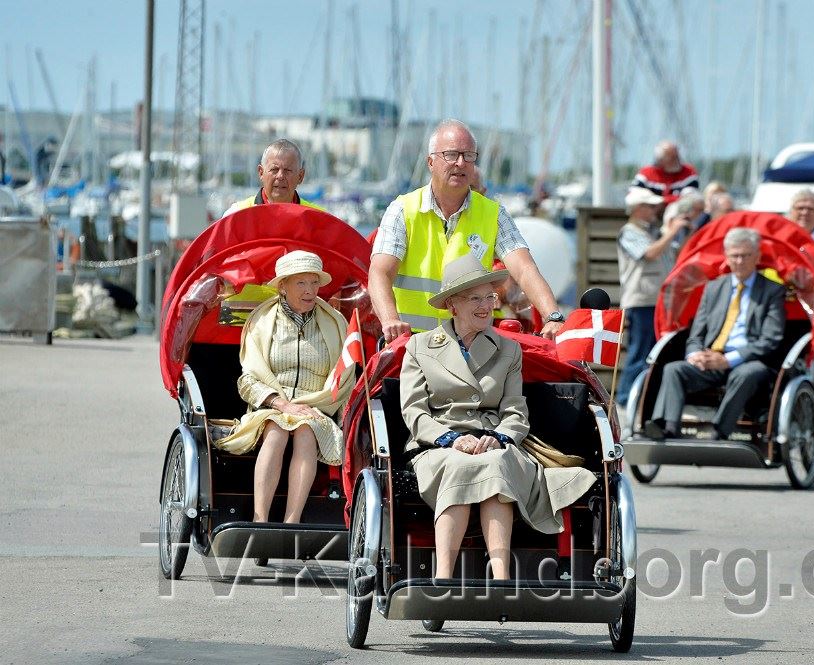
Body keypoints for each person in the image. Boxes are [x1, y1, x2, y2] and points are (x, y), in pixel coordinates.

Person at [400, 254, 595, 579]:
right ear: (452, 304)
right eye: (474, 298)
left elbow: (516, 410)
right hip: (436, 444)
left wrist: (501, 436)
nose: (485, 305)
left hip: (494, 441)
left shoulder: (508, 350)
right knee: (459, 464)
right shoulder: (419, 348)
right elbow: (414, 411)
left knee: (496, 462)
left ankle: (501, 577)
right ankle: (443, 576)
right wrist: (451, 439)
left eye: (489, 296)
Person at [370, 119, 565, 342]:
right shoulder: (402, 209)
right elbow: (379, 272)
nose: (461, 163)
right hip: (412, 343)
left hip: (472, 345)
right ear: (430, 162)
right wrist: (389, 321)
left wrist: (553, 316)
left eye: (469, 156)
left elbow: (524, 268)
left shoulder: (494, 213)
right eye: (451, 155)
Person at [215, 250, 355, 523]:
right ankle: (260, 518)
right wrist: (282, 404)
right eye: (301, 283)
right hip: (271, 408)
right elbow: (247, 380)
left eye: (314, 283)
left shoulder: (336, 323)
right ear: (283, 285)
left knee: (305, 431)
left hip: (317, 410)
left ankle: (292, 521)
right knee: (277, 430)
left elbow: (345, 379)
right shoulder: (261, 322)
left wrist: (319, 408)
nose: (310, 290)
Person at [645, 227, 786, 440]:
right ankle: (667, 427)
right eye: (734, 256)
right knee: (674, 369)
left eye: (745, 255)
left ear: (757, 256)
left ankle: (719, 430)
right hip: (711, 358)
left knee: (745, 374)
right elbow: (696, 334)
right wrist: (695, 355)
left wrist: (728, 360)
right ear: (726, 257)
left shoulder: (772, 290)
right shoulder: (713, 288)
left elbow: (770, 339)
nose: (739, 261)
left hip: (750, 360)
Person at [616, 188, 688, 406]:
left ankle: (641, 399)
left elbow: (672, 253)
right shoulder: (629, 232)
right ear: (638, 208)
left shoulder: (652, 231)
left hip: (655, 302)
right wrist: (672, 231)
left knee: (652, 352)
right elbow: (650, 254)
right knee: (639, 352)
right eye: (650, 206)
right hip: (641, 301)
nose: (655, 209)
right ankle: (625, 399)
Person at [223, 138, 325, 216]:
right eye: (274, 170)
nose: (280, 176)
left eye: (288, 170)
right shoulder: (237, 215)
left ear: (300, 176)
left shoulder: (317, 218)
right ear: (261, 173)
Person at [631, 140, 699, 205]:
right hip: (650, 211)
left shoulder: (689, 172)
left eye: (677, 156)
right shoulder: (645, 173)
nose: (676, 160)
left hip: (677, 212)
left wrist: (661, 200)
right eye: (672, 158)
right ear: (660, 160)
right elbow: (633, 195)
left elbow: (690, 198)